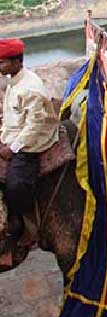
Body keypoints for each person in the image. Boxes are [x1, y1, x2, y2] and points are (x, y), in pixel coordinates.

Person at [0, 39, 58, 247]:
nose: (0, 67)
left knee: (16, 185)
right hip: (13, 132)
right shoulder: (14, 79)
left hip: (33, 140)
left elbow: (34, 126)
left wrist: (12, 148)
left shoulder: (30, 87)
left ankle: (28, 226)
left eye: (2, 63)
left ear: (16, 62)